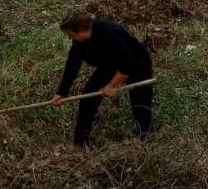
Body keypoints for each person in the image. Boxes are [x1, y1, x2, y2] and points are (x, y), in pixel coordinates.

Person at [52, 13, 153, 147]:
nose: (70, 38)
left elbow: (127, 63)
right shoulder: (79, 42)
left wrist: (111, 85)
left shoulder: (108, 32)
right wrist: (62, 93)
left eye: (71, 35)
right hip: (109, 65)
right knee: (87, 100)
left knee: (140, 103)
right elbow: (72, 65)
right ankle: (80, 144)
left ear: (82, 30)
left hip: (137, 62)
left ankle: (143, 139)